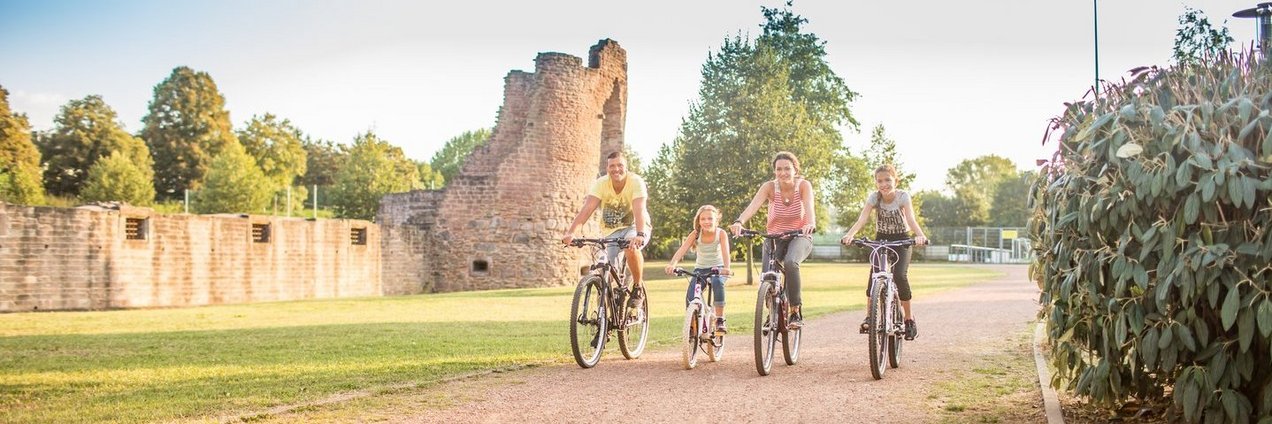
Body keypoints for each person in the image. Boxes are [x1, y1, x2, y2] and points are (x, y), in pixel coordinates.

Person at [840, 164, 929, 341]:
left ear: (896, 180)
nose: (884, 184)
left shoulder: (903, 196)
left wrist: (920, 236)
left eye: (888, 180)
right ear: (876, 183)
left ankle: (909, 319)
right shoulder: (874, 198)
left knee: (899, 276)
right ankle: (869, 316)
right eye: (879, 181)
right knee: (874, 276)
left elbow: (910, 219)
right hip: (881, 240)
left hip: (901, 240)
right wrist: (850, 235)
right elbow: (862, 219)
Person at [728, 151, 816, 328]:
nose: (783, 172)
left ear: (795, 169)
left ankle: (795, 311)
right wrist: (739, 221)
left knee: (791, 263)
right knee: (768, 276)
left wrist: (810, 223)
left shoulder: (803, 186)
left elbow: (809, 207)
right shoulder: (769, 187)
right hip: (774, 237)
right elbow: (753, 206)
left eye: (787, 168)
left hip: (799, 236)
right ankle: (772, 313)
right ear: (774, 171)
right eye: (779, 169)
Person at [562, 151, 651, 310]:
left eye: (620, 165)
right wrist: (571, 232)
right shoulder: (601, 183)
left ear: (626, 167)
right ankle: (604, 324)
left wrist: (639, 234)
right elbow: (587, 208)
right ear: (607, 168)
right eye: (612, 166)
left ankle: (637, 287)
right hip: (611, 231)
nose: (616, 169)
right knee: (606, 274)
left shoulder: (636, 182)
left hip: (635, 226)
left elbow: (639, 209)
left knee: (630, 248)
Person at [665, 205, 733, 333]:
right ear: (698, 221)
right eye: (703, 219)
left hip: (718, 268)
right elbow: (682, 250)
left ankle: (719, 319)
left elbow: (725, 252)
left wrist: (726, 268)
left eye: (710, 218)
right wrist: (672, 264)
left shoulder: (721, 233)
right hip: (700, 269)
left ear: (716, 220)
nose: (706, 222)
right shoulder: (696, 234)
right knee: (691, 296)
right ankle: (692, 326)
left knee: (717, 282)